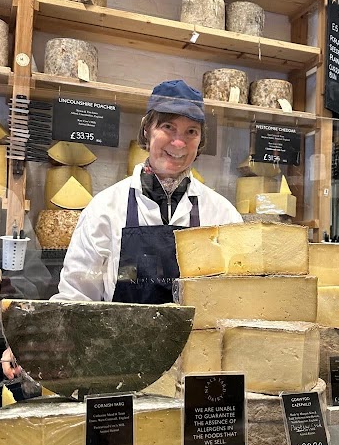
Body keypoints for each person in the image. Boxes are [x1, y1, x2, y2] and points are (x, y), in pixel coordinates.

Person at [53, 79, 242, 303]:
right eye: (168, 127)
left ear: (200, 141)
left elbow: (235, 299)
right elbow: (76, 296)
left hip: (197, 339)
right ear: (147, 130)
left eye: (191, 131)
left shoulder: (223, 215)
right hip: (122, 338)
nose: (179, 143)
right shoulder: (106, 208)